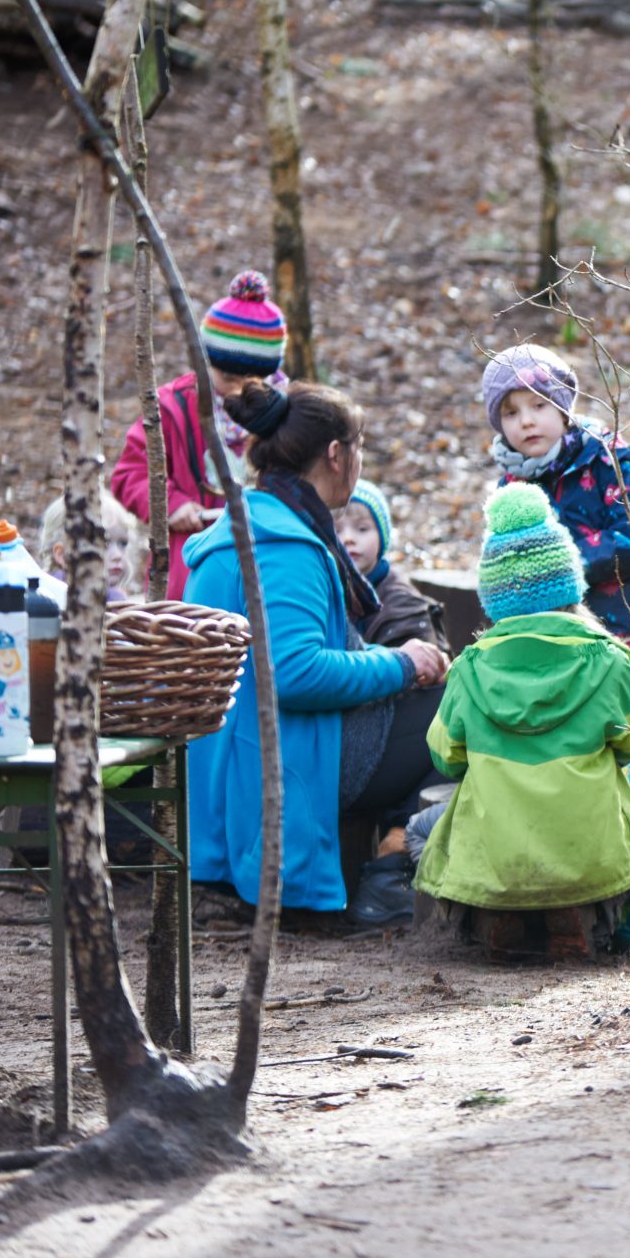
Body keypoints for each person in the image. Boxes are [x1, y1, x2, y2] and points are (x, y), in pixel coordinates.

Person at [183, 379, 451, 928]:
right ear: (336, 454)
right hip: (278, 770)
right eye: (360, 448)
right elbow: (295, 674)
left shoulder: (244, 525)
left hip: (233, 772)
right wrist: (402, 663)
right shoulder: (288, 547)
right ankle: (389, 876)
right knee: (455, 707)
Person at [416, 482, 630, 963]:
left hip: (497, 862)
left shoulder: (469, 669)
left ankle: (497, 921)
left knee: (435, 829)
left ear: (494, 600)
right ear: (570, 588)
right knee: (617, 817)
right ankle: (576, 916)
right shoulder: (607, 661)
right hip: (587, 857)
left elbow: (444, 754)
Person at [481, 344, 630, 716]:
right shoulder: (513, 483)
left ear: (562, 406)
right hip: (556, 639)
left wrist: (563, 563)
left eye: (538, 405)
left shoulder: (607, 456)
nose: (526, 421)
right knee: (584, 735)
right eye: (511, 412)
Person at [110, 270, 288, 600]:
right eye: (227, 376)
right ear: (205, 362)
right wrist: (170, 504)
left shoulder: (286, 411)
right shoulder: (170, 407)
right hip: (189, 570)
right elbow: (129, 476)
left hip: (267, 563)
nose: (236, 388)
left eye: (249, 379)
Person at [335, 479, 444, 650]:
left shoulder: (403, 605)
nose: (348, 538)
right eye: (336, 530)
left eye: (362, 528)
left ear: (382, 536)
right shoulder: (325, 588)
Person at [38, 494, 145, 602]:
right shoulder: (106, 600)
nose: (117, 555)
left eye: (122, 544)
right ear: (64, 555)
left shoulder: (40, 589)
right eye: (104, 544)